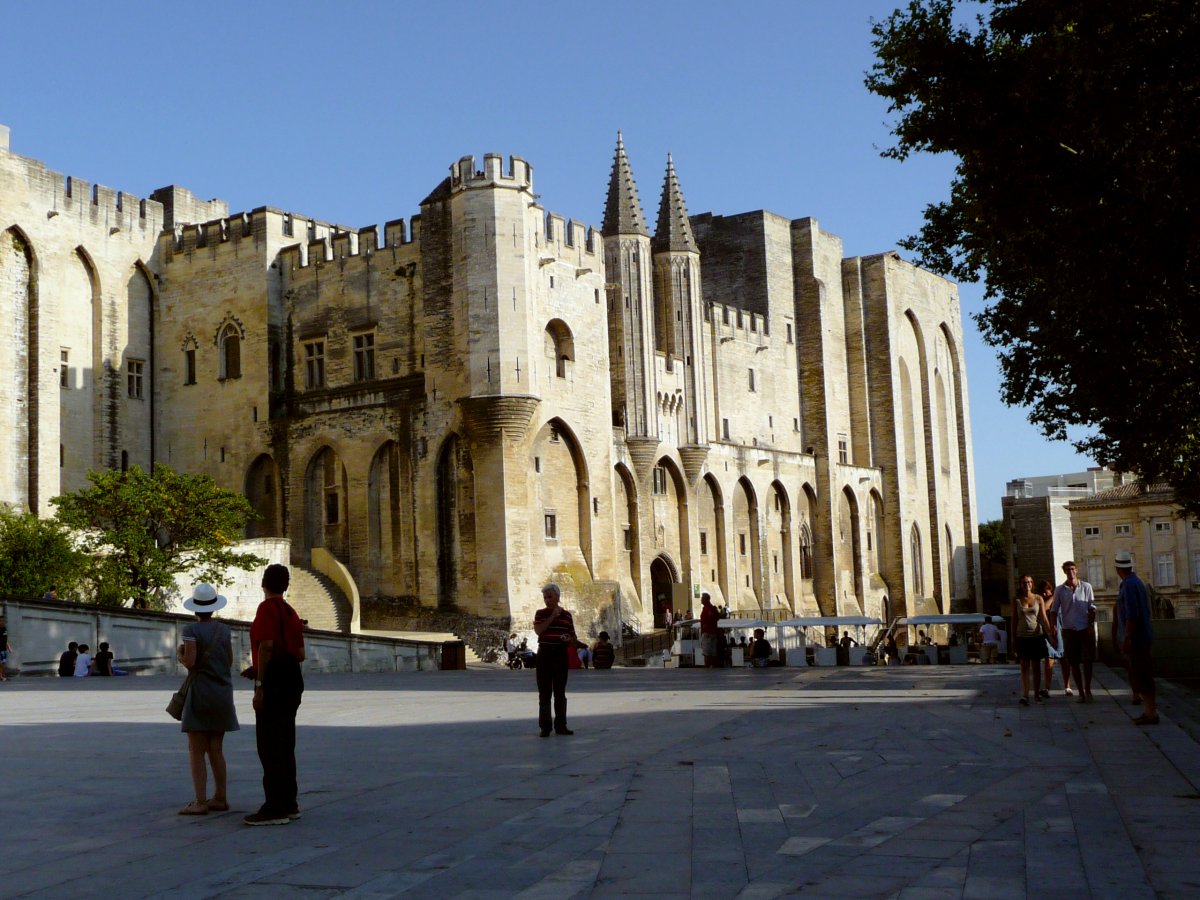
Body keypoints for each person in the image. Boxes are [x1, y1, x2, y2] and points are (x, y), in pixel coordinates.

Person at [246, 563, 306, 826]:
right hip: (293, 678)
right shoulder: (291, 612)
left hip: (275, 681)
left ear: (264, 584)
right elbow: (300, 654)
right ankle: (289, 802)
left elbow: (267, 646)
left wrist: (260, 684)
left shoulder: (266, 609)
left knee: (270, 745)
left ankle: (275, 807)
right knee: (286, 743)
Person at [177, 583, 239, 816]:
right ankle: (220, 797)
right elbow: (229, 661)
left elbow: (191, 662)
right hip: (222, 692)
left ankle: (200, 801)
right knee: (216, 748)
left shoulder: (191, 630)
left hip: (200, 692)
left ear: (195, 608)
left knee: (196, 749)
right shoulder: (224, 630)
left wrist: (181, 655)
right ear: (214, 607)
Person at [1114, 551, 1157, 725]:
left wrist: (1127, 637)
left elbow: (1132, 614)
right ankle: (1149, 711)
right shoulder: (1136, 582)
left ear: (1118, 568)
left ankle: (1150, 713)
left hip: (1137, 638)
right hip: (1142, 636)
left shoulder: (1128, 585)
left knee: (1142, 674)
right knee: (1143, 673)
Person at [533, 582, 576, 737]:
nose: (547, 600)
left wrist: (569, 639)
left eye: (550, 597)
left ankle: (561, 726)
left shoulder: (567, 616)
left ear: (557, 597)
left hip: (560, 654)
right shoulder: (540, 614)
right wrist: (552, 617)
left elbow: (573, 637)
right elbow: (539, 630)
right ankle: (545, 727)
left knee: (560, 692)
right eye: (545, 598)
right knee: (544, 692)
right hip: (544, 653)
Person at [1051, 560, 1096, 702]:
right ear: (1064, 572)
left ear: (1076, 570)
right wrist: (1053, 626)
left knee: (1088, 661)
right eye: (1068, 570)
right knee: (1074, 662)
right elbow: (1054, 609)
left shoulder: (1086, 587)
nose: (1070, 572)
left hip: (1084, 628)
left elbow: (1092, 607)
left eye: (1072, 569)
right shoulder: (1060, 590)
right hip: (1069, 630)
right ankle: (1081, 692)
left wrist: (1090, 625)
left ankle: (1088, 689)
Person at [1013, 574, 1053, 705]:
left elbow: (1043, 618)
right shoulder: (1016, 600)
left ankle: (1036, 695)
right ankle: (1025, 695)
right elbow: (1014, 620)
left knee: (1036, 667)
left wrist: (1050, 634)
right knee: (1024, 667)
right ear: (1020, 585)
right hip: (1022, 637)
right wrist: (1013, 639)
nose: (1027, 585)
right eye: (1024, 582)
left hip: (1036, 636)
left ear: (1032, 584)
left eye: (1029, 582)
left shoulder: (1038, 598)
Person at [1038, 580, 1064, 698]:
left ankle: (1067, 686)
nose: (1045, 594)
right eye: (1042, 592)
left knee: (1064, 660)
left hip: (1060, 632)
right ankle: (1047, 688)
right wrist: (1053, 596)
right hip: (1047, 634)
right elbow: (1045, 608)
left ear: (1050, 589)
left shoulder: (1058, 600)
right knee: (1049, 661)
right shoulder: (1043, 601)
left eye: (1046, 591)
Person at [699, 592, 721, 667]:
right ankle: (713, 666)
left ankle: (707, 666)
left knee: (706, 652)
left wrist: (706, 624)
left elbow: (711, 616)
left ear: (707, 599)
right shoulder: (713, 608)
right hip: (713, 633)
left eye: (703, 598)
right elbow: (718, 616)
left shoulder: (707, 608)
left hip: (707, 632)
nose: (701, 600)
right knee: (713, 652)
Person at [0, 615, 10, 681]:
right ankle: (2, 677)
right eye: (0, 621)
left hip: (4, 649)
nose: (2, 622)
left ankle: (3, 676)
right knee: (1, 664)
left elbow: (5, 640)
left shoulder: (4, 629)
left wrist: (9, 647)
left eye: (3, 621)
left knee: (3, 663)